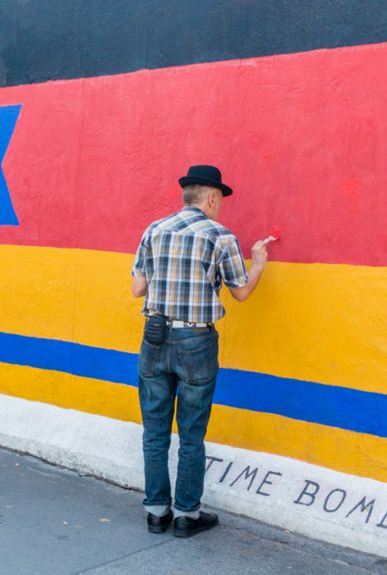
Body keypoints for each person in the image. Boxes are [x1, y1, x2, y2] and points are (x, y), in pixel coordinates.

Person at [130, 164, 270, 538]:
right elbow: (240, 292)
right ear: (211, 197)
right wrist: (258, 263)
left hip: (154, 336)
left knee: (154, 429)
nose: (220, 207)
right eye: (220, 200)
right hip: (196, 342)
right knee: (191, 432)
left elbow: (137, 289)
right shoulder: (221, 236)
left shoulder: (154, 230)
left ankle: (156, 511)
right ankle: (186, 516)